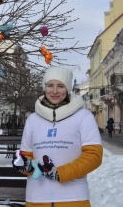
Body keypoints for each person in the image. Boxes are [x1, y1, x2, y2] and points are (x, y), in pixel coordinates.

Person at [12, 66, 102, 207]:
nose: (54, 91)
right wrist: (24, 165)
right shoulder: (33, 119)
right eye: (50, 85)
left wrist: (60, 173)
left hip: (74, 198)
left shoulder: (83, 116)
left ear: (67, 89)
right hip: (36, 199)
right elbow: (26, 155)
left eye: (60, 86)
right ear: (44, 87)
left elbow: (93, 156)